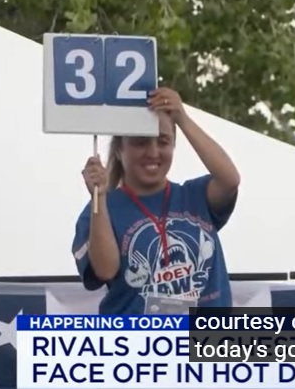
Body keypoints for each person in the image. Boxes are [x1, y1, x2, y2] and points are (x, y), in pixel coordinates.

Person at [72, 87, 241, 314]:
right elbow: (105, 270)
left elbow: (230, 179)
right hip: (138, 344)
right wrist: (99, 197)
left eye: (163, 142)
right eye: (141, 142)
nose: (153, 152)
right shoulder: (100, 209)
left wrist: (182, 118)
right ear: (120, 151)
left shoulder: (195, 195)